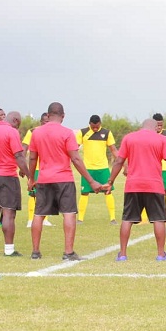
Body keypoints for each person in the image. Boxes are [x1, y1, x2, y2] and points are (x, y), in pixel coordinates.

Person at [102, 119, 166, 261]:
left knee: (127, 219)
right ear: (156, 127)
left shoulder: (129, 138)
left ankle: (123, 254)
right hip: (154, 185)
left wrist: (110, 182)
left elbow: (119, 161)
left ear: (141, 127)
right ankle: (161, 254)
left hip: (133, 185)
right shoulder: (161, 139)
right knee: (158, 220)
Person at [28, 102, 102, 261]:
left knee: (39, 214)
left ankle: (35, 252)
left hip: (44, 178)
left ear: (47, 116)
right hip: (64, 178)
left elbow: (33, 157)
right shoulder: (68, 133)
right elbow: (75, 158)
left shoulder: (37, 133)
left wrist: (31, 178)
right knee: (69, 214)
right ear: (63, 116)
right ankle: (68, 252)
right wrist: (91, 181)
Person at [0, 111, 30, 256]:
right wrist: (29, 175)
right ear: (15, 120)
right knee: (9, 213)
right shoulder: (11, 132)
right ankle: (9, 250)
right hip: (7, 176)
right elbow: (19, 156)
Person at [76, 115, 119, 225]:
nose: (95, 129)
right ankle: (80, 219)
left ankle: (113, 218)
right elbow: (74, 148)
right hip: (87, 169)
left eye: (97, 127)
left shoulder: (107, 133)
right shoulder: (82, 132)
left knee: (108, 192)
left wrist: (121, 162)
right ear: (89, 123)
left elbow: (113, 149)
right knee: (84, 192)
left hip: (103, 168)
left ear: (100, 124)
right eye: (93, 127)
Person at [22, 112, 53, 228]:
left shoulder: (52, 132)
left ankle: (45, 219)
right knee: (33, 194)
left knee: (48, 195)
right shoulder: (33, 131)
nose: (47, 124)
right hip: (36, 168)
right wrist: (23, 165)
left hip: (49, 167)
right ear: (41, 122)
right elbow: (24, 147)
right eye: (45, 121)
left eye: (49, 121)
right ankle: (30, 219)